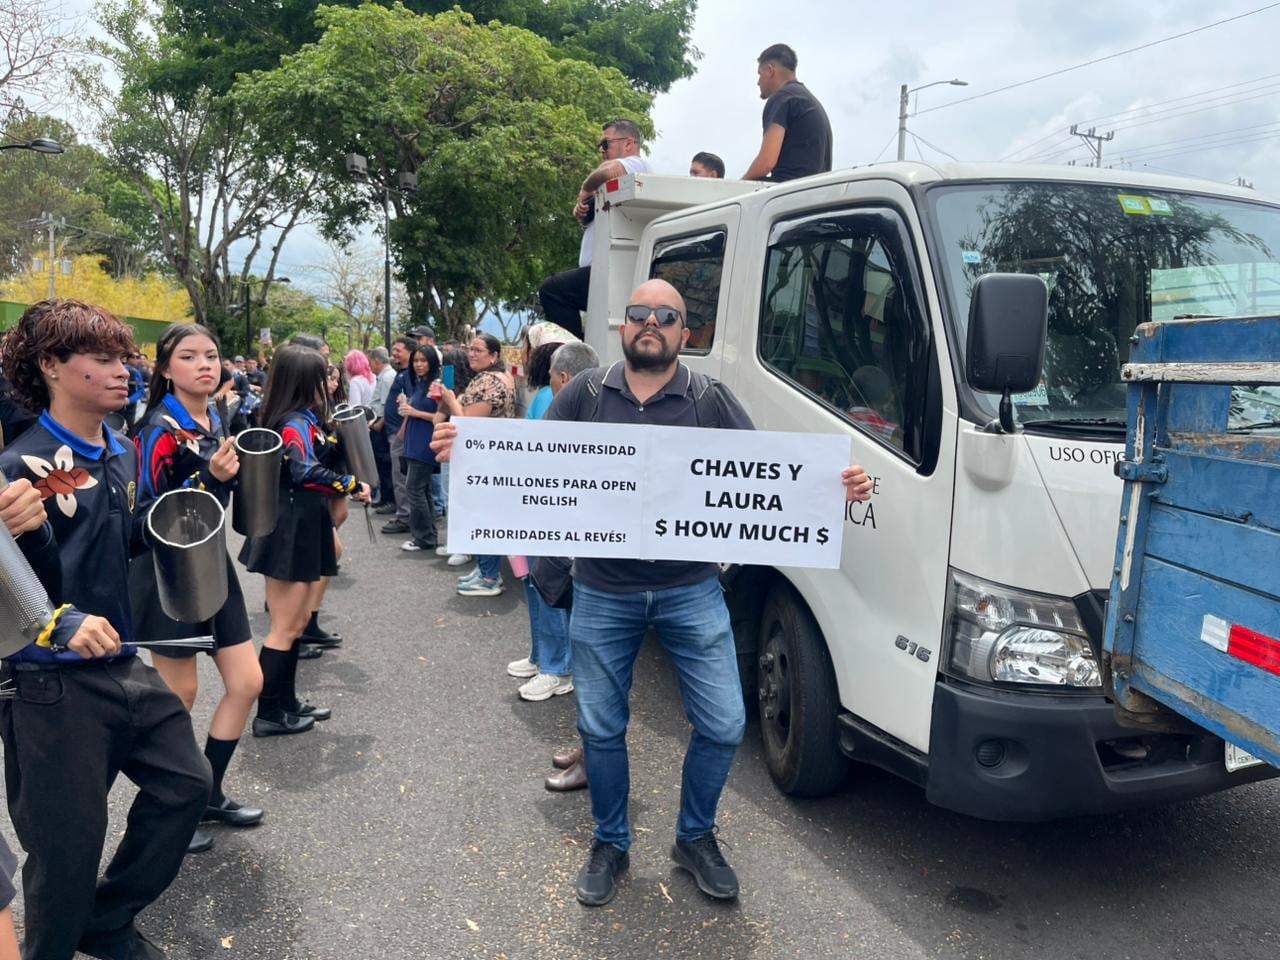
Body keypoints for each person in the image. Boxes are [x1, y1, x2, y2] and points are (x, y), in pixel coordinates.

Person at [433, 279, 874, 908]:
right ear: (623, 326)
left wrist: (836, 486)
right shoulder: (585, 393)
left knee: (724, 724)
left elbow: (772, 479)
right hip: (603, 591)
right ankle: (610, 843)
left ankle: (694, 838)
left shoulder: (709, 398)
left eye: (666, 316)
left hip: (689, 590)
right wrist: (469, 452)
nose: (651, 322)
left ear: (683, 333)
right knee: (600, 727)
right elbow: (528, 461)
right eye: (640, 312)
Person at [0, 299, 213, 960]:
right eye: (103, 358)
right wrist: (58, 617)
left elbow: (123, 537)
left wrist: (198, 488)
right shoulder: (19, 467)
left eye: (125, 357)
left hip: (123, 661)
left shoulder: (119, 448)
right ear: (51, 365)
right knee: (65, 856)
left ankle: (107, 919)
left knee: (187, 785)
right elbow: (12, 591)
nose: (125, 371)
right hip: (47, 687)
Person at [131, 324, 265, 855]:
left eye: (211, 355)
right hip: (167, 573)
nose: (205, 365)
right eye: (188, 357)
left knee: (247, 682)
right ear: (166, 369)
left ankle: (206, 793)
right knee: (178, 698)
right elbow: (143, 514)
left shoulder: (218, 418)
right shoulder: (156, 430)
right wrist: (208, 477)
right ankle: (169, 811)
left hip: (212, 563)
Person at [239, 345, 370, 736]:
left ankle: (287, 703)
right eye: (321, 375)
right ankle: (270, 713)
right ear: (303, 381)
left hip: (301, 524)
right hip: (290, 528)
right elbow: (304, 471)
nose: (328, 382)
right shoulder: (294, 422)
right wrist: (350, 483)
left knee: (294, 624)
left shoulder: (302, 419)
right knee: (285, 626)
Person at [537, 120, 651, 339]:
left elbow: (609, 170)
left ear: (628, 144)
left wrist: (586, 188)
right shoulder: (619, 180)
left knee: (553, 290)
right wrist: (582, 211)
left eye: (606, 144)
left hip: (610, 269)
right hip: (601, 268)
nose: (601, 150)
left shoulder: (637, 165)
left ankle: (571, 350)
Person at [435, 333, 514, 594]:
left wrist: (450, 400)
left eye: (478, 350)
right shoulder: (495, 377)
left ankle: (489, 576)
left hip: (485, 459)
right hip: (490, 458)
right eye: (470, 349)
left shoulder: (490, 381)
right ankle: (484, 569)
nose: (471, 354)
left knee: (485, 517)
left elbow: (468, 423)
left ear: (494, 355)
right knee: (484, 515)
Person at [743, 44, 832, 183]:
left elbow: (766, 162)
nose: (758, 82)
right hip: (817, 191)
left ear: (770, 70)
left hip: (787, 190)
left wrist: (736, 188)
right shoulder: (809, 100)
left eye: (759, 74)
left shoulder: (782, 98)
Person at [397, 346, 441, 553]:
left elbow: (442, 416)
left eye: (424, 360)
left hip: (425, 444)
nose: (419, 364)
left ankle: (423, 538)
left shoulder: (436, 385)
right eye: (416, 361)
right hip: (414, 443)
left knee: (414, 489)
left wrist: (415, 412)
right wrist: (407, 404)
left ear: (432, 362)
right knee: (422, 490)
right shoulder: (419, 383)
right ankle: (428, 535)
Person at [380, 337, 415, 536]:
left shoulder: (409, 375)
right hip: (395, 431)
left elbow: (411, 404)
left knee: (401, 476)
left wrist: (401, 431)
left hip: (400, 433)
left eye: (398, 350)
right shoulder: (402, 374)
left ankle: (405, 517)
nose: (394, 354)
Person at [368, 346, 397, 510]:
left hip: (382, 423)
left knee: (385, 462)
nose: (370, 366)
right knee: (380, 462)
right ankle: (385, 497)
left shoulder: (387, 378)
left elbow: (388, 405)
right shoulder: (385, 376)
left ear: (377, 361)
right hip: (378, 420)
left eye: (370, 362)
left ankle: (389, 499)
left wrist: (379, 424)